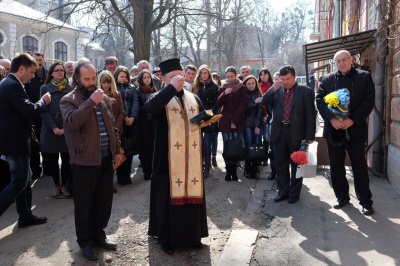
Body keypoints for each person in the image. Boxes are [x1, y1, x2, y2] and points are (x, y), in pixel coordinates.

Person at [145, 58, 208, 255]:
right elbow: (150, 109)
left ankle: (192, 236)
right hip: (167, 160)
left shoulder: (192, 98)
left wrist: (208, 120)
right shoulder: (159, 97)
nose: (179, 79)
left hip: (191, 158)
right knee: (167, 200)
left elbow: (201, 118)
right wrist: (171, 88)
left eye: (179, 75)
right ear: (163, 79)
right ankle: (166, 239)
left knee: (191, 195)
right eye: (173, 77)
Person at [60, 61, 122, 261]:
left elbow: (112, 125)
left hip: (106, 158)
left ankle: (98, 234)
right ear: (77, 79)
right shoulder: (68, 100)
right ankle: (85, 242)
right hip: (84, 162)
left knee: (104, 201)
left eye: (93, 78)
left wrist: (117, 149)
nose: (91, 82)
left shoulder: (102, 98)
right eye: (86, 79)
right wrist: (90, 102)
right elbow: (72, 122)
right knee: (84, 204)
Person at [316, 50, 375, 215]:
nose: (341, 63)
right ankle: (342, 197)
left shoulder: (363, 77)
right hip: (334, 131)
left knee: (359, 166)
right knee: (336, 166)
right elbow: (319, 101)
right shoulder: (327, 79)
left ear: (351, 60)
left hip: (355, 130)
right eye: (338, 61)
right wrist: (331, 120)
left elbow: (368, 101)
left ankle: (365, 201)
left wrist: (352, 119)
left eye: (344, 60)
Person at [0, 53, 51, 227]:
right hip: (14, 141)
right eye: (31, 71)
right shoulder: (11, 85)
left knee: (25, 178)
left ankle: (25, 215)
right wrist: (43, 102)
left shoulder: (11, 83)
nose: (33, 75)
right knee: (19, 181)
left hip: (16, 140)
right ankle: (25, 215)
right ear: (21, 68)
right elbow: (29, 110)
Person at [262, 65, 316, 204]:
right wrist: (272, 88)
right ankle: (283, 191)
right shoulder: (276, 90)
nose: (285, 82)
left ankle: (294, 194)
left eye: (288, 79)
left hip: (297, 133)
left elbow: (311, 114)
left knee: (297, 165)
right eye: (282, 79)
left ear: (294, 76)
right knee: (280, 164)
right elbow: (264, 102)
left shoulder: (305, 91)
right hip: (279, 132)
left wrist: (310, 136)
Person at [40, 62, 73, 198]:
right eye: (57, 70)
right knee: (53, 159)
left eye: (62, 70)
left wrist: (65, 128)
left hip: (66, 128)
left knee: (66, 159)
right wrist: (54, 128)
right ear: (52, 73)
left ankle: (64, 185)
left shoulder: (69, 87)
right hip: (50, 129)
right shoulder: (44, 88)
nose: (60, 72)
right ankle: (56, 185)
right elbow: (43, 111)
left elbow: (72, 109)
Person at [214, 66, 247, 181]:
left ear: (236, 75)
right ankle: (229, 171)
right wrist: (224, 94)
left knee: (236, 146)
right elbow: (218, 103)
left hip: (237, 122)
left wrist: (235, 121)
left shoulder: (242, 87)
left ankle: (235, 171)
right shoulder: (223, 87)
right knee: (227, 146)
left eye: (232, 76)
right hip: (225, 122)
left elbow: (243, 105)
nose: (230, 79)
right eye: (227, 77)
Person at [98, 70, 125, 193]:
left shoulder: (116, 94)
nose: (106, 85)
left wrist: (117, 127)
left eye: (108, 83)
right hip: (103, 131)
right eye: (103, 83)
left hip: (116, 131)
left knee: (114, 157)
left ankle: (110, 183)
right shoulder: (97, 95)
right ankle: (102, 184)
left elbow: (121, 112)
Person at [191, 65, 219, 178]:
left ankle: (207, 168)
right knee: (198, 144)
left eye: (205, 73)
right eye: (201, 73)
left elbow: (217, 104)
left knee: (207, 144)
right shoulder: (195, 86)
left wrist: (210, 117)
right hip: (197, 117)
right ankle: (199, 166)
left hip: (209, 117)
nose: (203, 75)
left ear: (209, 74)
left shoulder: (214, 86)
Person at [24, 52, 48, 180]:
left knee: (46, 142)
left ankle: (48, 167)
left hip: (46, 114)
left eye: (41, 60)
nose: (39, 62)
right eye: (36, 60)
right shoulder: (29, 77)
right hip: (33, 114)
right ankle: (36, 169)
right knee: (34, 144)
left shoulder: (48, 74)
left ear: (44, 61)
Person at [114, 66, 139, 185]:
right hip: (119, 121)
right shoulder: (114, 88)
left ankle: (127, 173)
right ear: (117, 76)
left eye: (125, 76)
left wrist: (132, 116)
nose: (123, 79)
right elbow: (117, 105)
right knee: (120, 148)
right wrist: (124, 117)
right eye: (121, 76)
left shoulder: (132, 88)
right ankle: (120, 174)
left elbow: (135, 102)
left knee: (129, 148)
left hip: (131, 121)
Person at [135, 70, 158, 180]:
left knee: (153, 146)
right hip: (143, 122)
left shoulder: (155, 91)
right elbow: (137, 107)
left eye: (148, 77)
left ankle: (152, 169)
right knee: (145, 146)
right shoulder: (137, 91)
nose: (147, 79)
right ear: (141, 79)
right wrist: (147, 107)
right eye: (144, 77)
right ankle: (146, 170)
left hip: (154, 121)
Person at [243, 75, 263, 179]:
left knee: (256, 146)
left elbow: (260, 112)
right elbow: (243, 109)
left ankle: (255, 169)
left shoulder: (258, 94)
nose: (251, 85)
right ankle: (248, 168)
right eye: (249, 84)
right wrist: (254, 102)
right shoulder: (243, 95)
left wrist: (257, 126)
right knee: (248, 146)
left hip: (255, 124)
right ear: (245, 85)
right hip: (246, 124)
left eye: (253, 83)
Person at [258, 68, 274, 168]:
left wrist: (268, 115)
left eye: (265, 74)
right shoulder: (258, 85)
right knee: (260, 137)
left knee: (268, 138)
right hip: (260, 114)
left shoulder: (272, 86)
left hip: (269, 115)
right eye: (261, 75)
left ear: (269, 75)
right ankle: (262, 157)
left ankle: (268, 158)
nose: (263, 76)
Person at [211, 72, 222, 167]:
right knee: (207, 139)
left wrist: (218, 116)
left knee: (214, 138)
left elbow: (219, 104)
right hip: (208, 115)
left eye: (216, 78)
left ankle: (213, 156)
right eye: (213, 77)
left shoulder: (219, 89)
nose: (215, 80)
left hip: (216, 116)